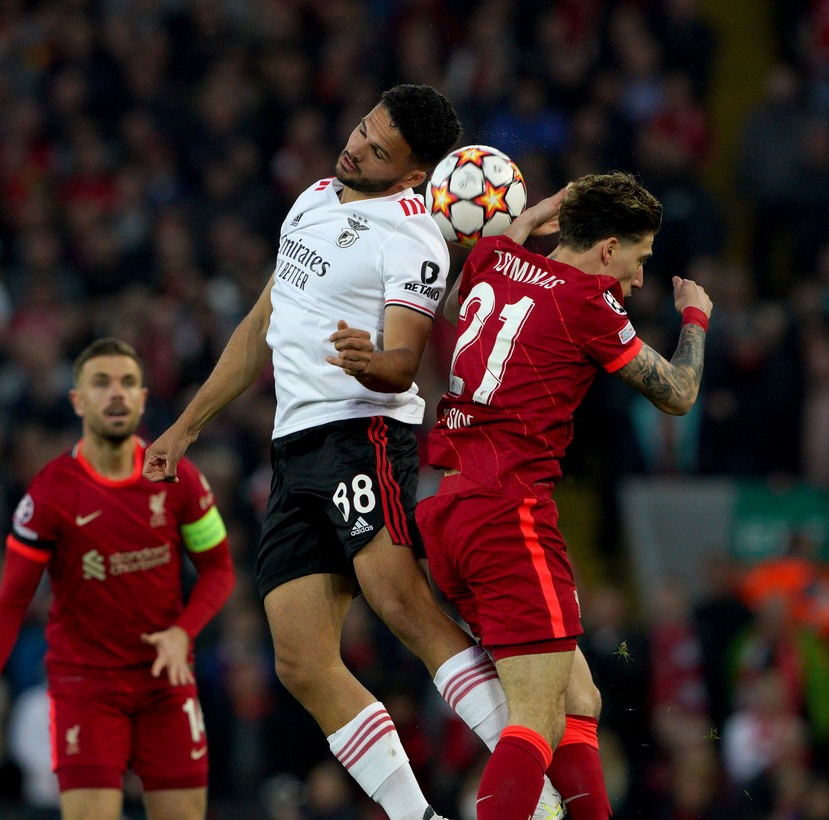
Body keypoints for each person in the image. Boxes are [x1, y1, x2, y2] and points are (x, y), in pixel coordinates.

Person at [144, 84, 560, 820]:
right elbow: (262, 324)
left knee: (401, 603)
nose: (356, 146)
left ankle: (540, 793)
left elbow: (403, 362)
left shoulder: (415, 238)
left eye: (378, 148)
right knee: (301, 659)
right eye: (363, 129)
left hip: (363, 433)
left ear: (411, 175)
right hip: (295, 448)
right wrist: (187, 426)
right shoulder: (311, 196)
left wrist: (370, 361)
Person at [417, 171, 713, 820]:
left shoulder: (495, 261)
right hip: (507, 512)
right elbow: (680, 393)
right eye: (638, 260)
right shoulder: (588, 301)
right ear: (606, 249)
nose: (638, 281)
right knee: (536, 719)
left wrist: (535, 214)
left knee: (580, 702)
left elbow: (508, 242)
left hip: (448, 511)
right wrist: (696, 316)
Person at [0, 338, 235, 820]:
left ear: (142, 397)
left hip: (165, 683)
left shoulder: (180, 478)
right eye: (101, 383)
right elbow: (11, 601)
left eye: (127, 383)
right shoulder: (51, 492)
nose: (115, 394)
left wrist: (184, 632)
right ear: (78, 400)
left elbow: (220, 571)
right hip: (86, 688)